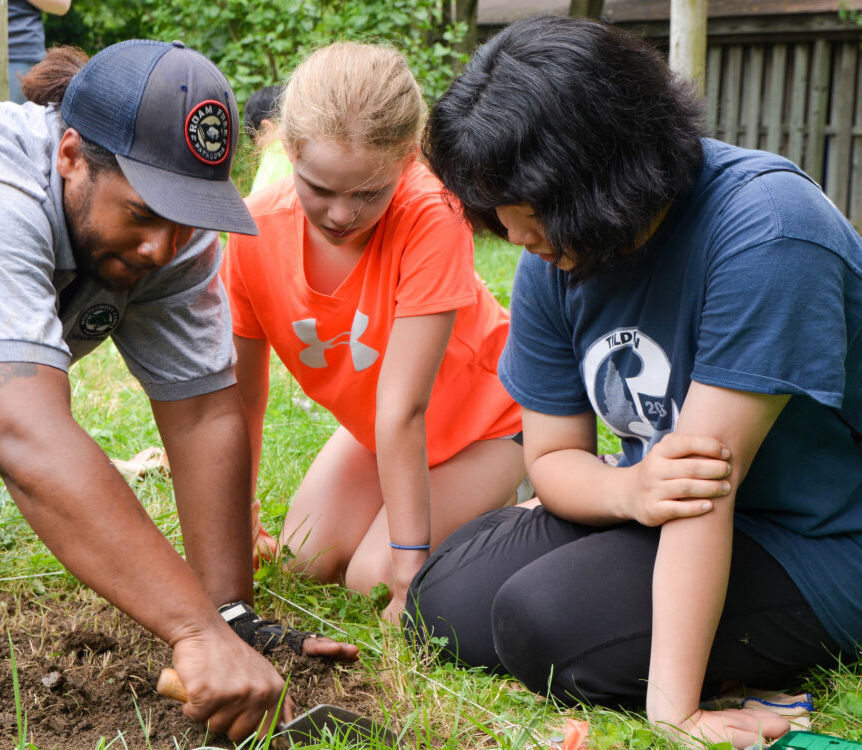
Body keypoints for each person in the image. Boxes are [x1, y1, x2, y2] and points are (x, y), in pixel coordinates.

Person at [0, 39, 355, 742]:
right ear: (71, 156)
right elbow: (30, 444)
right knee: (11, 420)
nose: (162, 248)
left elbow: (204, 413)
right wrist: (189, 630)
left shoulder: (170, 232)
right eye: (143, 216)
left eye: (184, 217)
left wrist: (229, 617)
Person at [408, 15, 862, 749]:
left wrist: (672, 713)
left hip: (815, 536)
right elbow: (551, 458)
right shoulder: (550, 258)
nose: (513, 235)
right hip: (664, 501)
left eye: (528, 212)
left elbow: (700, 487)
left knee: (545, 626)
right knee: (447, 603)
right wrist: (626, 491)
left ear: (599, 169)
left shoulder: (766, 229)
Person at [222, 42, 527, 624]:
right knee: (303, 557)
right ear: (288, 149)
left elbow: (404, 406)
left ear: (408, 159)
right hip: (381, 435)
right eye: (320, 189)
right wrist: (240, 522)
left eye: (368, 193)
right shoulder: (253, 232)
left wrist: (410, 574)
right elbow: (243, 399)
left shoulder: (433, 215)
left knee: (371, 577)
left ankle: (524, 498)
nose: (342, 214)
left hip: (490, 425)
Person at [243, 84, 292, 195]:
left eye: (259, 145)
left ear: (266, 127)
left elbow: (256, 205)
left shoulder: (276, 149)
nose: (260, 151)